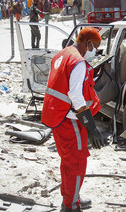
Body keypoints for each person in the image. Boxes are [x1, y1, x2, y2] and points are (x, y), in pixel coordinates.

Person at [41, 27, 106, 212]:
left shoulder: (63, 54)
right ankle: (71, 206)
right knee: (76, 163)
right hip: (69, 120)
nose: (95, 53)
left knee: (68, 162)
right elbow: (76, 96)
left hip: (58, 116)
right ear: (89, 44)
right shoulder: (78, 62)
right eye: (96, 48)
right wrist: (92, 128)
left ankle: (71, 198)